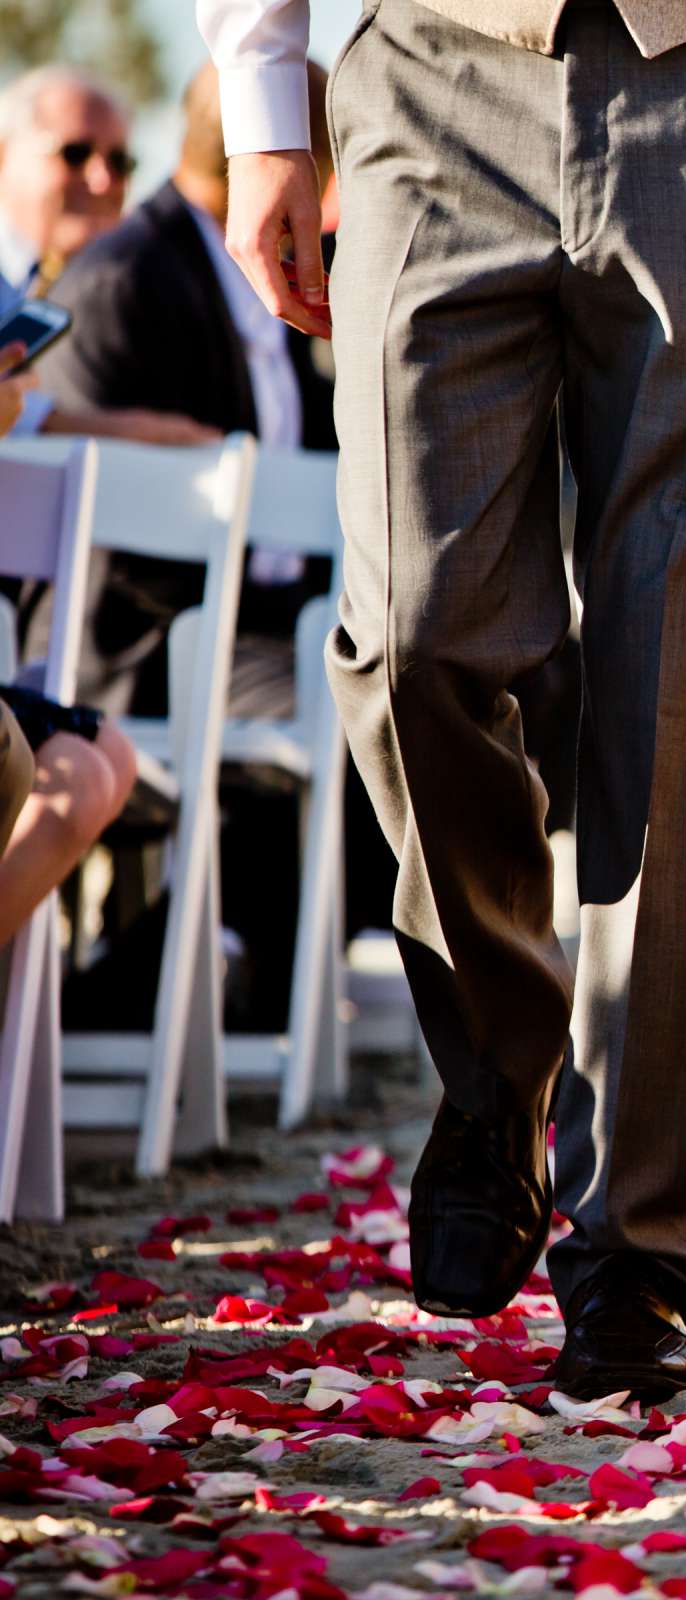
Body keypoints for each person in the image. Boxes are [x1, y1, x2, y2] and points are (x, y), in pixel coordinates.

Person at [200, 0, 686, 1400]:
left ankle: (634, 1252)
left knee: (681, 684)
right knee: (413, 631)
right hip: (427, 77)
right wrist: (263, 110)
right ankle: (497, 1061)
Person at [39, 60, 401, 1037]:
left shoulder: (260, 275)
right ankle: (206, 964)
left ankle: (257, 959)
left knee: (444, 676)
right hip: (144, 638)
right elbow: (101, 521)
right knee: (377, 703)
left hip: (258, 622)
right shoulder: (129, 278)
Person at [0, 66, 216, 446]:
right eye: (75, 153)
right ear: (3, 155)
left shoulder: (131, 282)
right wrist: (62, 426)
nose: (102, 180)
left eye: (120, 162)